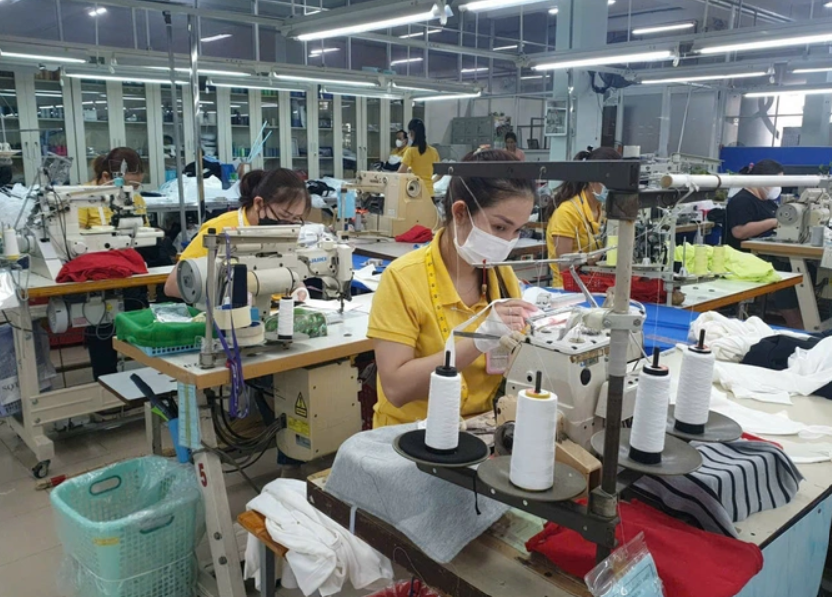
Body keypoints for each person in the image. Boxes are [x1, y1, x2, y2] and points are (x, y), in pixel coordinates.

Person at [369, 149, 538, 428]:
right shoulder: (402, 279)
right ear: (460, 213)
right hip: (410, 434)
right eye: (499, 227)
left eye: (517, 231)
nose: (508, 242)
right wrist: (479, 340)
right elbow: (396, 389)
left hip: (481, 428)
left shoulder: (502, 277)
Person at [164, 168, 311, 299]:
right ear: (259, 204)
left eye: (296, 219)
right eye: (284, 216)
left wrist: (299, 288)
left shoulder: (285, 232)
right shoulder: (220, 229)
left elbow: (288, 271)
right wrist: (229, 293)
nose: (288, 225)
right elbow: (173, 285)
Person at [726, 159, 803, 329]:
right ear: (762, 179)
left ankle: (802, 315)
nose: (778, 187)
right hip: (746, 258)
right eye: (776, 182)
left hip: (765, 253)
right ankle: (795, 321)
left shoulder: (767, 201)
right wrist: (773, 222)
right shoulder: (742, 201)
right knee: (789, 272)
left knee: (804, 268)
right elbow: (739, 232)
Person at [545, 146, 621, 287]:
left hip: (595, 286)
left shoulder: (602, 209)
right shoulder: (567, 212)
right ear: (591, 179)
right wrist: (589, 259)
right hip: (567, 290)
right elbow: (563, 265)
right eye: (608, 181)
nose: (613, 186)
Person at [79, 147, 148, 228]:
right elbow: (76, 233)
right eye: (126, 185)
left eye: (135, 187)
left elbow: (145, 230)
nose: (130, 191)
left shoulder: (136, 198)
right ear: (106, 177)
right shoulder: (82, 197)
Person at [399, 118, 441, 197]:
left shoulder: (410, 151)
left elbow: (400, 173)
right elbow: (441, 172)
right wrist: (431, 181)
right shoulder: (433, 151)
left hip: (415, 193)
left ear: (412, 133)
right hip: (429, 193)